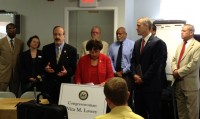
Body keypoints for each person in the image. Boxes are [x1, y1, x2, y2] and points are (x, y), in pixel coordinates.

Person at [130, 17, 167, 119]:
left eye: (138, 25)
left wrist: (143, 78)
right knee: (139, 114)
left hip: (152, 87)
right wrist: (134, 75)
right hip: (138, 87)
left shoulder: (158, 43)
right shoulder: (137, 43)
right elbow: (133, 61)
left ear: (146, 26)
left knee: (154, 113)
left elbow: (157, 65)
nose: (136, 28)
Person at [171, 24, 200, 119]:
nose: (181, 33)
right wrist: (174, 69)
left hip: (190, 85)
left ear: (191, 33)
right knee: (181, 112)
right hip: (178, 83)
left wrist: (178, 72)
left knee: (192, 113)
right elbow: (174, 59)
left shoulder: (197, 46)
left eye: (184, 31)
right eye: (181, 31)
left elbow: (194, 64)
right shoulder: (180, 45)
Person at [42, 26, 77, 103]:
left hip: (64, 85)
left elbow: (74, 68)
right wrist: (45, 68)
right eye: (55, 34)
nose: (57, 37)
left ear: (64, 36)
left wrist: (67, 72)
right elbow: (41, 65)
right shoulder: (46, 48)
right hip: (49, 86)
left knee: (61, 109)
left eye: (59, 34)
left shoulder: (72, 50)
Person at [108, 27, 135, 110]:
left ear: (125, 34)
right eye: (117, 34)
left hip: (127, 76)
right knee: (115, 97)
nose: (118, 35)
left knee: (127, 97)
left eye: (120, 33)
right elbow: (110, 60)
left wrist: (123, 71)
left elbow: (133, 61)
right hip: (115, 75)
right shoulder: (112, 46)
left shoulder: (132, 44)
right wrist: (115, 71)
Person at [0, 23, 24, 97]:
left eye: (14, 28)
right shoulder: (1, 42)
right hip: (3, 73)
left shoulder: (20, 43)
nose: (12, 30)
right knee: (1, 95)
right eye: (10, 28)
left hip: (15, 74)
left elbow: (20, 57)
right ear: (6, 30)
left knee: (14, 95)